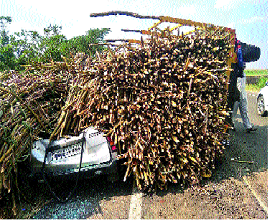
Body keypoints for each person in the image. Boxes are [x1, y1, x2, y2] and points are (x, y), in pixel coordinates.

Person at [232, 67, 257, 133]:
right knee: (234, 111)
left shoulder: (244, 74)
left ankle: (248, 127)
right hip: (236, 95)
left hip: (243, 95)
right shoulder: (234, 73)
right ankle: (232, 125)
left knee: (244, 111)